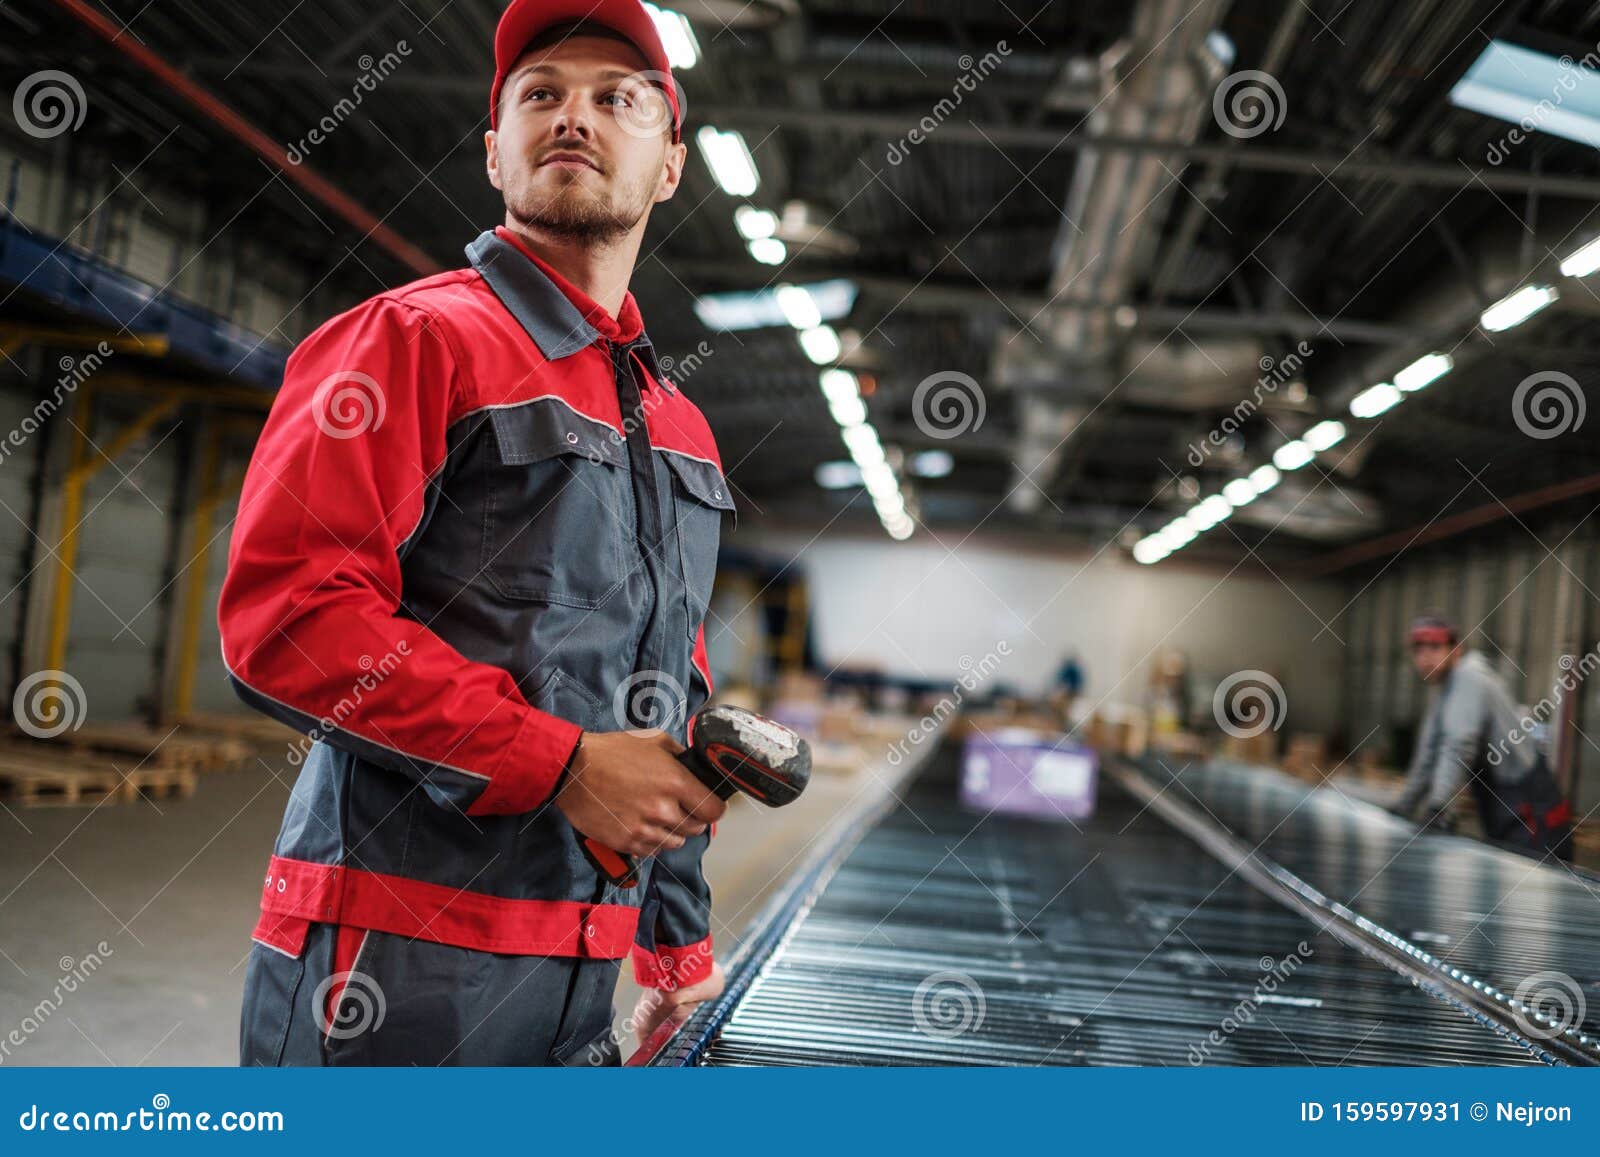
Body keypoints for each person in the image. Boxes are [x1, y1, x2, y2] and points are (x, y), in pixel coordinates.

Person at [219, 0, 737, 1065]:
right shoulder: (411, 340)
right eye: (539, 95)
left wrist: (676, 945)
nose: (573, 118)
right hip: (385, 966)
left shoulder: (677, 426)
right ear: (495, 153)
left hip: (575, 976)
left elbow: (668, 704)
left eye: (617, 99)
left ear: (672, 162)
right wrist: (557, 764)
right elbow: (287, 617)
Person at [1389, 613, 1573, 860]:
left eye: (1434, 647)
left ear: (1456, 649)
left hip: (1531, 812)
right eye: (1418, 650)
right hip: (1504, 807)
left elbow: (1458, 744)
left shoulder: (1469, 677)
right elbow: (1428, 757)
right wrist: (1402, 808)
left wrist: (1439, 806)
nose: (1425, 658)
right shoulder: (1444, 693)